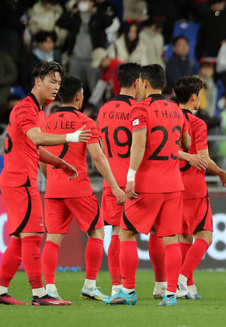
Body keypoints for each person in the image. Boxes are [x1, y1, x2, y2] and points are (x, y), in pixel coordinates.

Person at [0, 61, 90, 306]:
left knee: (19, 239)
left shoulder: (36, 110)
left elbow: (32, 146)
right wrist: (71, 136)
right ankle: (40, 294)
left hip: (18, 179)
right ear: (37, 81)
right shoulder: (26, 108)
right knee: (33, 234)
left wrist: (60, 162)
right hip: (20, 181)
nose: (56, 87)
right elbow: (36, 137)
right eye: (51, 81)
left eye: (58, 82)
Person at [105, 64, 191, 307]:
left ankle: (128, 291)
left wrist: (130, 176)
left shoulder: (140, 108)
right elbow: (186, 142)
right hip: (173, 183)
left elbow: (139, 143)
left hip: (147, 184)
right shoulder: (175, 110)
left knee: (127, 233)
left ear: (143, 83)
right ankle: (171, 294)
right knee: (170, 240)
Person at [39, 75, 126, 303]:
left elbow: (41, 158)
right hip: (78, 188)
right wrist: (115, 187)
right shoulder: (85, 122)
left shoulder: (46, 123)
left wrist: (52, 180)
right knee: (96, 232)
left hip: (54, 189)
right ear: (78, 97)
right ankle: (90, 285)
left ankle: (49, 288)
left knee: (52, 239)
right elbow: (97, 156)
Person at [174, 76, 226, 299]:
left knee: (183, 237)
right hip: (194, 186)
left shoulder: (169, 118)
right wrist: (220, 172)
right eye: (199, 94)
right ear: (193, 97)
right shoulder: (197, 123)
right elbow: (204, 159)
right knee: (205, 236)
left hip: (173, 185)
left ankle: (189, 286)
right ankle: (180, 280)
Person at [96, 62, 140, 297]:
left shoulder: (103, 110)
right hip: (135, 180)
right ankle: (160, 285)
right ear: (137, 83)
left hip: (110, 179)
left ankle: (116, 287)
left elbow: (100, 147)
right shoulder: (139, 108)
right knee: (132, 234)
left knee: (115, 232)